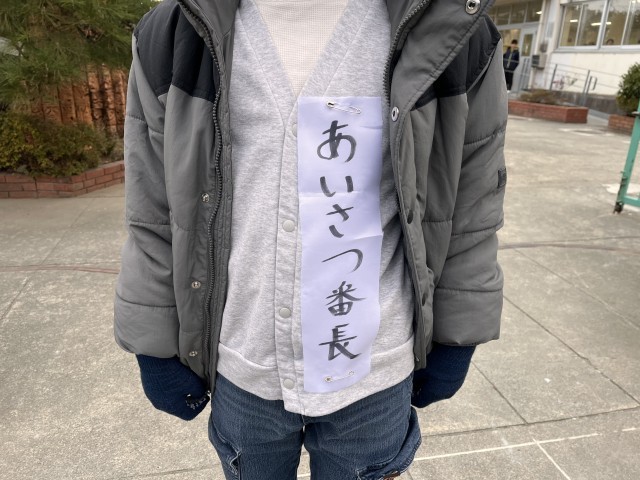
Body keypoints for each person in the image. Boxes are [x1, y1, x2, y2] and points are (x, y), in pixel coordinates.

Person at [114, 0, 506, 478]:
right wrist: (153, 345)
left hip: (373, 370)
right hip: (242, 361)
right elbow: (153, 208)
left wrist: (458, 335)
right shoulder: (174, 34)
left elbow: (472, 202)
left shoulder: (454, 28)